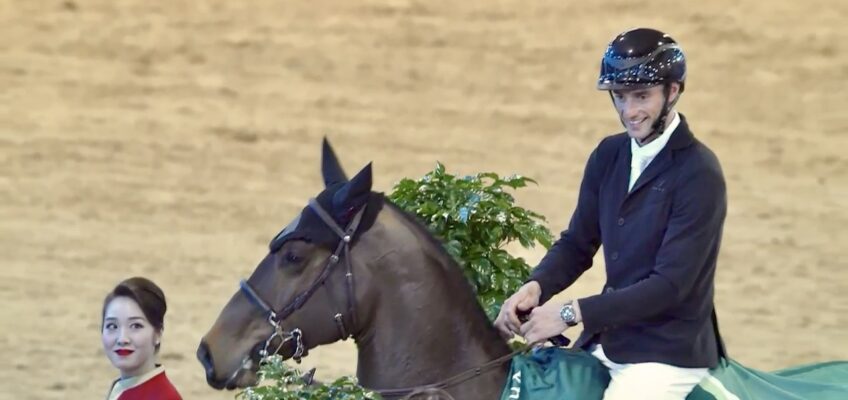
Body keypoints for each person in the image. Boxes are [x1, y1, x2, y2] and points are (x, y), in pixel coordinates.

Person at [494, 27, 727, 400]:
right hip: (609, 338)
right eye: (619, 97)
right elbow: (577, 243)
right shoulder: (609, 155)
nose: (629, 111)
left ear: (673, 91)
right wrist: (536, 286)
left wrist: (570, 313)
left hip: (665, 354)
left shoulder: (699, 173)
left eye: (641, 96)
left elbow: (669, 286)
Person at [102, 277, 182, 400]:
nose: (122, 339)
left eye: (136, 326)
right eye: (112, 326)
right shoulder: (124, 388)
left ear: (157, 334)